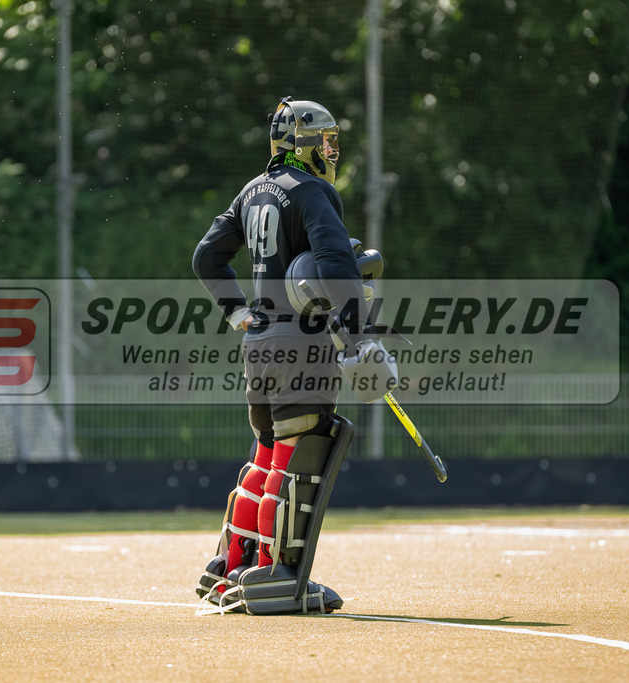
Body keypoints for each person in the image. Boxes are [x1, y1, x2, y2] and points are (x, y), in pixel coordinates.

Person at [191, 96, 377, 615]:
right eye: (326, 139)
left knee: (268, 453)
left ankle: (230, 567)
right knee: (299, 457)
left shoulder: (251, 191)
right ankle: (275, 574)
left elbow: (206, 257)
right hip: (300, 341)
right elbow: (334, 260)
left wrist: (235, 313)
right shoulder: (314, 191)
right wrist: (362, 337)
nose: (331, 149)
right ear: (305, 142)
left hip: (259, 345)